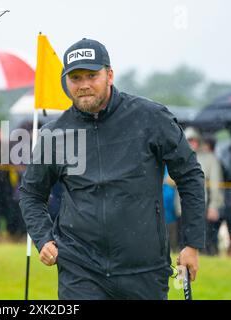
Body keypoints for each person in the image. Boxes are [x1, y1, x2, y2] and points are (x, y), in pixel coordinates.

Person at [19, 38, 206, 300]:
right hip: (79, 270)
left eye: (91, 75)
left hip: (144, 269)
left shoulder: (151, 117)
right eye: (75, 77)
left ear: (109, 75)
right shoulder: (54, 134)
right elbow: (30, 194)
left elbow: (190, 176)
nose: (83, 85)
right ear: (65, 81)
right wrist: (43, 238)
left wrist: (192, 243)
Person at [183, 127, 224, 255]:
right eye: (188, 140)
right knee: (183, 246)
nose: (192, 143)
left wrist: (214, 206)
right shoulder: (180, 158)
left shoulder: (209, 158)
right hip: (183, 207)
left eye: (194, 140)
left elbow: (215, 185)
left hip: (202, 206)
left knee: (207, 245)